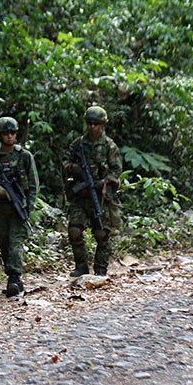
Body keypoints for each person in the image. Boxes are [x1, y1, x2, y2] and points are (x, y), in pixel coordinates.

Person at [0, 116, 39, 297]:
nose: (10, 136)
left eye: (13, 132)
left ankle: (14, 277)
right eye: (6, 133)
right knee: (3, 241)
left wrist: (29, 206)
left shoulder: (24, 157)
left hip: (18, 207)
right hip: (0, 210)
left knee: (15, 242)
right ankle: (13, 276)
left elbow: (34, 185)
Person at [63, 105, 122, 276]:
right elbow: (65, 162)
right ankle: (81, 266)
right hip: (80, 196)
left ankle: (100, 269)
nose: (92, 127)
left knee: (102, 233)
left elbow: (116, 170)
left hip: (100, 195)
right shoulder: (78, 144)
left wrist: (103, 181)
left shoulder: (109, 146)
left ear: (103, 124)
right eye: (89, 123)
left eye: (96, 123)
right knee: (74, 231)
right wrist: (76, 169)